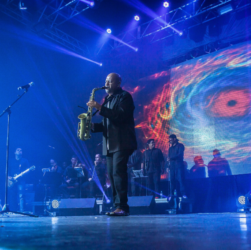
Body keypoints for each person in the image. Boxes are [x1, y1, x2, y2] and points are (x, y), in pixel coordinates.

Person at [87, 73, 137, 216]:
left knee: (118, 173)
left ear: (118, 83)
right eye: (105, 81)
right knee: (112, 174)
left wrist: (98, 106)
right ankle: (117, 206)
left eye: (110, 81)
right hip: (109, 143)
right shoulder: (108, 99)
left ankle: (123, 207)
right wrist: (92, 126)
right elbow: (106, 124)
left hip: (122, 142)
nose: (106, 83)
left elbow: (119, 116)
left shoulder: (125, 97)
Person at [8, 147, 30, 212]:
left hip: (21, 180)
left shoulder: (25, 161)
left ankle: (22, 210)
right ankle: (12, 210)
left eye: (21, 150)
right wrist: (8, 177)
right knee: (12, 196)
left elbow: (28, 170)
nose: (20, 151)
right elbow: (7, 169)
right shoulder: (11, 161)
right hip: (11, 181)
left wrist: (22, 174)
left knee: (21, 195)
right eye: (18, 150)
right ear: (15, 152)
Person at [167, 134, 187, 199]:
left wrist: (171, 158)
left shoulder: (180, 146)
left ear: (174, 139)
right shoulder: (170, 148)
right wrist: (168, 166)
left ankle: (183, 194)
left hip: (179, 166)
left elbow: (180, 155)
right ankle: (171, 194)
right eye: (169, 140)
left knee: (180, 180)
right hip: (172, 166)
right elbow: (169, 158)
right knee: (172, 180)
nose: (170, 141)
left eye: (171, 140)